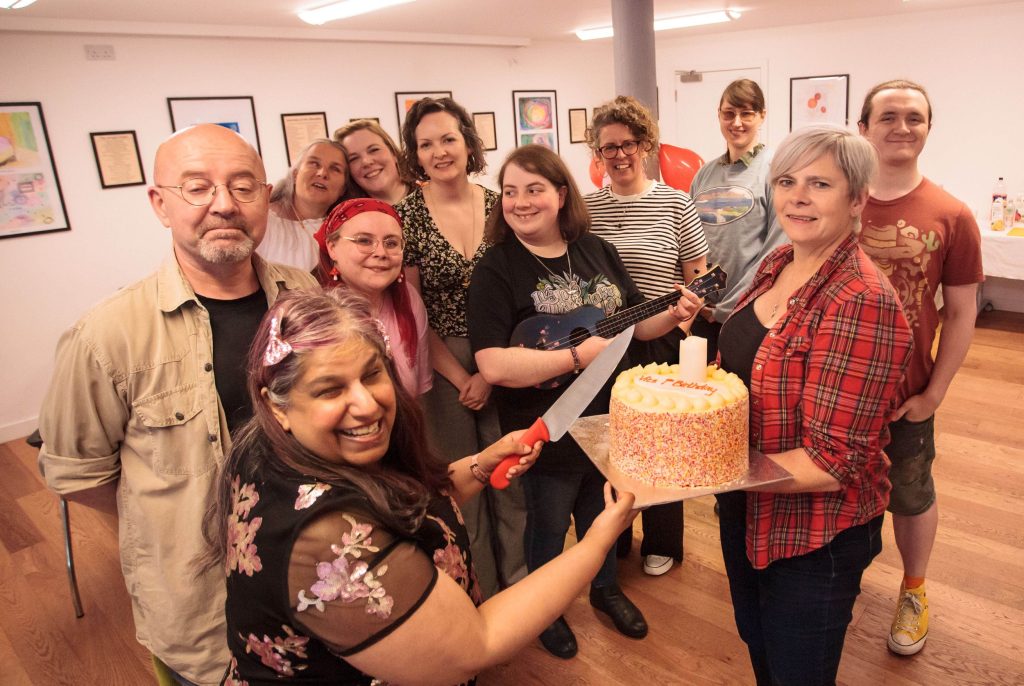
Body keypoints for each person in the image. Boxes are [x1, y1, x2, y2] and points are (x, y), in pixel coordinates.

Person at [198, 287, 640, 685]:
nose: (367, 404)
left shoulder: (277, 446)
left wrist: (481, 465)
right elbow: (476, 645)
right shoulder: (326, 541)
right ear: (278, 405)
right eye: (330, 390)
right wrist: (596, 542)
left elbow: (406, 508)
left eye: (372, 375)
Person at [36, 124, 318, 685]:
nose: (224, 205)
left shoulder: (303, 294)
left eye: (243, 187)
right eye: (197, 188)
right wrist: (170, 516)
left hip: (314, 575)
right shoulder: (105, 335)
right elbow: (79, 472)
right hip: (203, 605)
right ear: (159, 204)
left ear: (266, 197)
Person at [469, 145, 704, 659]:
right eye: (510, 192)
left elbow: (630, 326)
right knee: (550, 523)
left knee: (602, 515)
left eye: (533, 189)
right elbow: (492, 364)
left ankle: (605, 589)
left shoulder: (596, 248)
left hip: (610, 418)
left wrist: (674, 311)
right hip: (548, 425)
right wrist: (575, 356)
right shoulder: (496, 268)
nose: (520, 202)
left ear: (560, 194)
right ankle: (544, 610)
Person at [714, 125, 913, 685]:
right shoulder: (779, 262)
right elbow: (745, 368)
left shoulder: (861, 300)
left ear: (856, 200)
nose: (797, 196)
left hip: (814, 532)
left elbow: (833, 462)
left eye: (819, 183)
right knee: (759, 642)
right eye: (786, 181)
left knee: (798, 670)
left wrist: (700, 469)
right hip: (746, 505)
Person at [857, 79, 983, 656]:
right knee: (835, 495)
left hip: (905, 393)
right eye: (888, 116)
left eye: (914, 117)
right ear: (863, 128)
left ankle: (913, 590)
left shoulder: (952, 214)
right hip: (835, 390)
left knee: (909, 493)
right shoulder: (838, 199)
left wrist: (934, 393)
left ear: (929, 129)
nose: (901, 126)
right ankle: (835, 582)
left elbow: (960, 313)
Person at [394, 96, 522, 600]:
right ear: (416, 156)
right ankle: (479, 590)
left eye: (448, 138)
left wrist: (490, 371)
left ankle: (520, 583)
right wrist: (461, 376)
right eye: (426, 145)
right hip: (441, 361)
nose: (439, 151)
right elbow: (411, 310)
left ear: (469, 142)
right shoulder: (405, 217)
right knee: (461, 483)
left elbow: (520, 294)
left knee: (511, 477)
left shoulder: (500, 206)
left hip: (507, 353)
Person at [585, 95, 709, 577]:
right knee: (613, 441)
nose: (618, 155)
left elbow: (698, 276)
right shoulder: (588, 207)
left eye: (628, 144)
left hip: (661, 343)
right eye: (607, 147)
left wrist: (680, 322)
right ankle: (614, 535)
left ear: (646, 145)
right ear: (598, 153)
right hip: (603, 342)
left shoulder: (676, 203)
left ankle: (663, 540)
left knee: (662, 446)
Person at [690, 78, 787, 361]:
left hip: (748, 313)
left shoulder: (775, 172)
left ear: (762, 116)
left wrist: (730, 306)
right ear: (719, 115)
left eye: (747, 113)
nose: (737, 122)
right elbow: (689, 245)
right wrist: (697, 302)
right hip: (701, 313)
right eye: (729, 113)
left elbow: (775, 252)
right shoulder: (704, 175)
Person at [312, 197, 431, 397]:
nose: (381, 252)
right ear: (332, 247)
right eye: (364, 241)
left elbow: (417, 396)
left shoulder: (409, 299)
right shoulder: (313, 314)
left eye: (392, 243)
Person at [257, 139, 349, 271]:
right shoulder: (261, 219)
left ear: (343, 189)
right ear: (295, 174)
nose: (322, 173)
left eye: (335, 169)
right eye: (314, 163)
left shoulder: (345, 232)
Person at [334, 119, 414, 205]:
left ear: (392, 152)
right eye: (354, 158)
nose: (366, 162)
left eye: (373, 150)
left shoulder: (427, 191)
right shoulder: (349, 214)